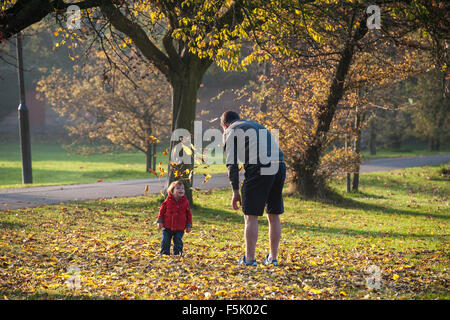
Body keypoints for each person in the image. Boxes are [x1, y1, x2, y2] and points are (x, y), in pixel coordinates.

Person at [221, 111, 286, 266]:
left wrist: (235, 191)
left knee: (250, 215)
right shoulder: (256, 125)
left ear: (224, 125)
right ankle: (273, 258)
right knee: (274, 213)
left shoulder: (230, 131)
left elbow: (232, 164)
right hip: (280, 164)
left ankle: (249, 260)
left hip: (260, 166)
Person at [157, 180, 192, 256]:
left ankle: (177, 254)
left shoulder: (185, 202)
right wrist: (160, 221)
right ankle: (164, 254)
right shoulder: (168, 201)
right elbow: (162, 211)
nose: (181, 190)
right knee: (165, 241)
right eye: (178, 188)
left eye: (182, 188)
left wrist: (189, 225)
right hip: (167, 227)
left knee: (178, 241)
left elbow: (189, 214)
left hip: (180, 227)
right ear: (172, 191)